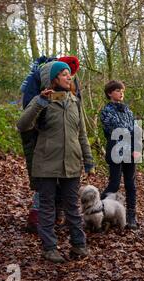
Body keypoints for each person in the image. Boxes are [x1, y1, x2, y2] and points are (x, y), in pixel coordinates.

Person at [17, 61, 94, 263]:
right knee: (47, 208)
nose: (69, 77)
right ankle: (49, 248)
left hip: (71, 163)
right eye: (63, 74)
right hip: (46, 163)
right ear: (53, 79)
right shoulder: (41, 100)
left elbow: (82, 135)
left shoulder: (75, 101)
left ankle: (79, 245)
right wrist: (39, 103)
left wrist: (89, 161)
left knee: (72, 207)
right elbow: (23, 125)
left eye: (69, 74)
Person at [100, 80, 141, 230]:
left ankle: (131, 216)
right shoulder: (106, 111)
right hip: (116, 150)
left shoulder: (128, 111)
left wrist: (136, 147)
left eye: (122, 90)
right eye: (117, 90)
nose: (121, 93)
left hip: (131, 152)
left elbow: (136, 131)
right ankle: (98, 207)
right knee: (114, 184)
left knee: (131, 185)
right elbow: (118, 130)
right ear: (110, 93)